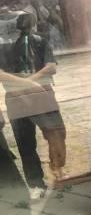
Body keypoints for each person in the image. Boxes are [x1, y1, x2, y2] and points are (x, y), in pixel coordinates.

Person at [0, 12, 66, 198]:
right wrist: (31, 82)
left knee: (50, 135)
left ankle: (52, 172)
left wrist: (28, 81)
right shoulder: (5, 46)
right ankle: (41, 179)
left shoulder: (38, 41)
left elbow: (51, 66)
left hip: (28, 95)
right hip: (27, 96)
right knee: (30, 141)